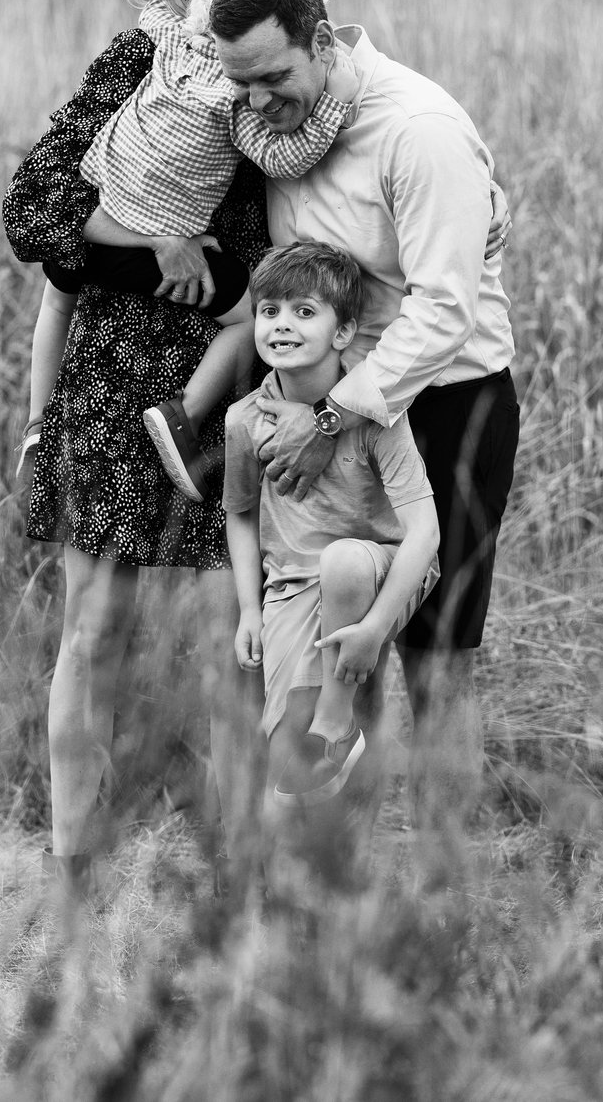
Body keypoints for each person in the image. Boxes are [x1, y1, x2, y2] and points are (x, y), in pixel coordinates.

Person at [3, 0, 312, 895]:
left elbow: (270, 240)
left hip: (218, 381)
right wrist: (156, 247)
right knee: (94, 629)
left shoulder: (268, 57)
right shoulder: (136, 56)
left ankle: (245, 859)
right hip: (109, 369)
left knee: (238, 635)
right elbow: (36, 211)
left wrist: (220, 276)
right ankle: (73, 864)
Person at [206, 0, 519, 875]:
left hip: (448, 404)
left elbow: (444, 306)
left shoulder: (416, 129)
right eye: (242, 82)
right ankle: (339, 882)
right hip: (324, 408)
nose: (259, 101)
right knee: (336, 645)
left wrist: (331, 415)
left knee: (435, 656)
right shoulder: (277, 129)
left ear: (324, 41)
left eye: (276, 77)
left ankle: (444, 888)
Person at [14, 0, 351, 510]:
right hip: (120, 351)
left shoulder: (270, 46)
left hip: (243, 369)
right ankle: (48, 427)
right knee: (66, 284)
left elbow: (329, 121)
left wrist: (456, 173)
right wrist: (160, 238)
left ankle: (61, 422)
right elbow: (31, 208)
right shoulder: (153, 50)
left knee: (230, 596)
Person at [222, 243, 442, 812]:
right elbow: (241, 514)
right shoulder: (244, 421)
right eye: (268, 311)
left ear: (343, 332)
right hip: (289, 592)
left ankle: (337, 718)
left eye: (303, 311)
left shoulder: (373, 412)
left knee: (342, 560)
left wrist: (375, 630)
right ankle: (304, 881)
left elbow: (424, 534)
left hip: (377, 573)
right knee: (290, 773)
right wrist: (250, 608)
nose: (281, 325)